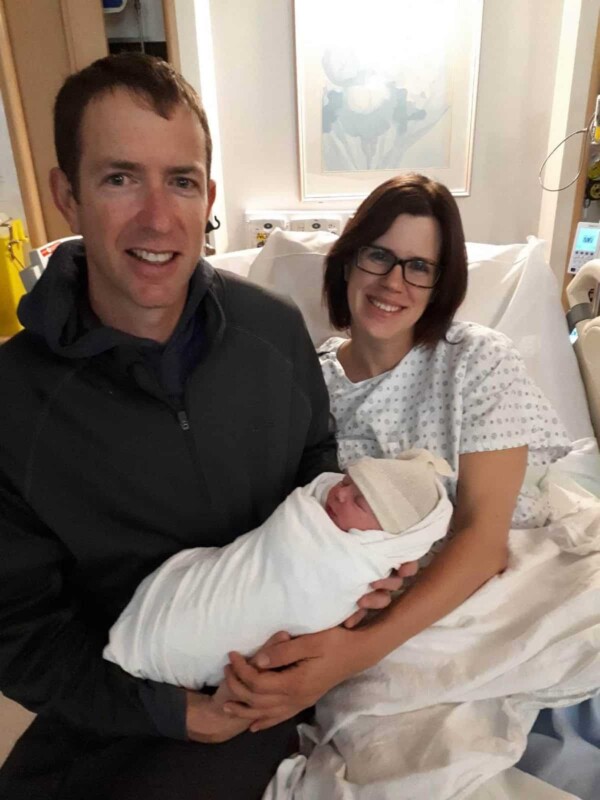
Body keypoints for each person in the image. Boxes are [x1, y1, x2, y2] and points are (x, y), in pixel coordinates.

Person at [0, 54, 413, 800]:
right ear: (67, 194)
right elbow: (19, 635)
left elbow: (316, 472)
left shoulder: (276, 333)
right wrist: (172, 710)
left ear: (208, 195)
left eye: (181, 181)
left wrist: (362, 566)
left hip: (275, 678)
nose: (159, 219)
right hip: (118, 696)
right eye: (120, 177)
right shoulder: (13, 402)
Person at [217, 173, 573, 739]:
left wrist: (349, 655)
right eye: (378, 256)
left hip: (491, 586)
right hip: (373, 608)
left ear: (440, 283)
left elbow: (483, 542)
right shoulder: (308, 386)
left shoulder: (476, 362)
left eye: (419, 266)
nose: (393, 282)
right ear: (348, 262)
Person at [104, 450, 453, 690]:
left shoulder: (360, 562)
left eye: (360, 502)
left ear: (386, 540)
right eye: (347, 482)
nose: (340, 495)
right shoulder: (310, 508)